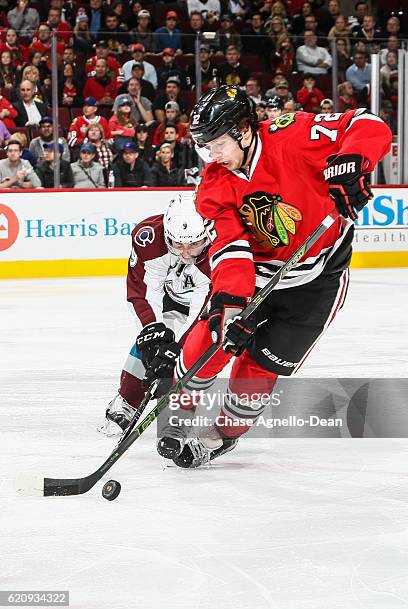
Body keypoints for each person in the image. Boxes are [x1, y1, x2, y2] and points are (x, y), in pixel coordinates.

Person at [146, 85, 391, 469]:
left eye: (218, 144)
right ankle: (179, 408)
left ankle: (221, 435)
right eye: (206, 146)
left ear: (244, 130)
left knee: (258, 368)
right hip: (257, 275)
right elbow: (231, 247)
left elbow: (366, 123)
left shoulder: (292, 135)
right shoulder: (214, 182)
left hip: (317, 277)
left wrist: (351, 162)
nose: (212, 155)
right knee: (209, 342)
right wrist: (231, 306)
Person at [98, 193, 211, 436]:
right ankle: (127, 400)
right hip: (170, 297)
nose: (186, 254)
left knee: (198, 351)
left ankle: (183, 411)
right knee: (150, 341)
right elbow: (143, 293)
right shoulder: (149, 237)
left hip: (207, 303)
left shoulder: (220, 244)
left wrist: (179, 347)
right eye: (178, 245)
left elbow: (204, 304)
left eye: (194, 245)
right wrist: (156, 335)